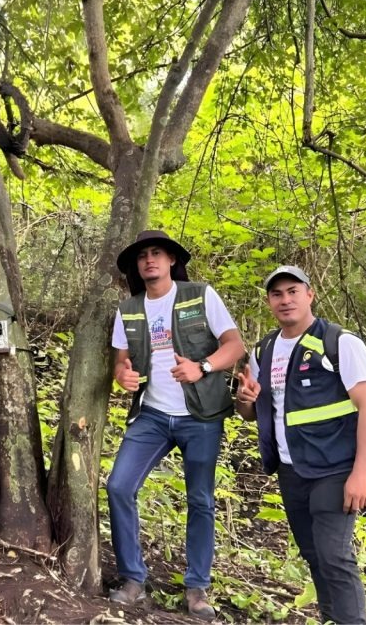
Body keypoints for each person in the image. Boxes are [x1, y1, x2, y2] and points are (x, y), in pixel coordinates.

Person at [107, 230, 245, 620]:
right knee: (119, 485)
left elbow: (235, 345)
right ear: (137, 266)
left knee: (200, 499)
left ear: (170, 261)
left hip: (200, 417)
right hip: (151, 414)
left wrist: (202, 367)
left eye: (157, 254)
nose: (149, 260)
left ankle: (197, 588)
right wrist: (123, 375)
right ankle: (133, 579)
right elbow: (120, 361)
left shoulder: (199, 295)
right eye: (143, 256)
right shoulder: (129, 308)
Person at [235, 265, 366, 625]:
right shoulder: (264, 349)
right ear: (269, 301)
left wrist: (362, 473)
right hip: (291, 469)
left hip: (335, 469)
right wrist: (244, 399)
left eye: (293, 292)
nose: (285, 300)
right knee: (314, 554)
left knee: (335, 556)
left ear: (310, 295)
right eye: (277, 294)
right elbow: (251, 413)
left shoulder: (340, 343)